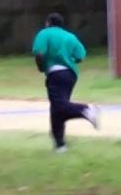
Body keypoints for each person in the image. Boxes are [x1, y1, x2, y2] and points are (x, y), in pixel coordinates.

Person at [32, 13, 100, 152]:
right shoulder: (70, 36)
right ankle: (60, 145)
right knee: (57, 108)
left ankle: (86, 110)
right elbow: (80, 56)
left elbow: (39, 53)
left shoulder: (45, 33)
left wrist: (41, 67)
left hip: (55, 74)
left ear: (48, 23)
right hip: (70, 74)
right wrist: (69, 61)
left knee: (59, 106)